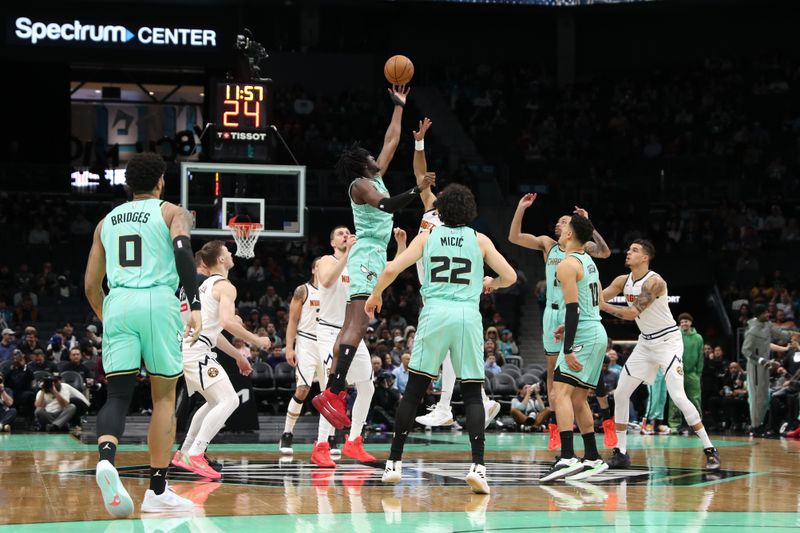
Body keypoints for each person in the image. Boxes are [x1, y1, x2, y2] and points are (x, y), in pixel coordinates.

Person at [366, 183, 517, 495]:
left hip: (435, 313)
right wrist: (493, 282)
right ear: (470, 212)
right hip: (467, 315)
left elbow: (393, 267)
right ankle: (478, 467)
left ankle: (394, 463)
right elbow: (512, 276)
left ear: (442, 210)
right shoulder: (480, 240)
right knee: (474, 394)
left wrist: (375, 294)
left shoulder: (428, 236)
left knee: (414, 392)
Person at [84, 152, 203, 517]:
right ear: (161, 181)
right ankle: (157, 489)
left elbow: (90, 284)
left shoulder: (106, 221)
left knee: (117, 394)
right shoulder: (171, 212)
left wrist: (109, 315)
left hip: (118, 300)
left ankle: (107, 458)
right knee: (164, 396)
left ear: (127, 184)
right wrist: (195, 303)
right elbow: (183, 252)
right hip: (157, 301)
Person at [312, 85, 436, 429]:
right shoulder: (360, 185)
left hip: (374, 253)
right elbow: (387, 205)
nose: (375, 157)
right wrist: (417, 189)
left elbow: (392, 141)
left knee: (357, 322)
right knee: (358, 322)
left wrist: (399, 106)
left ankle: (334, 390)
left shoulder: (372, 176)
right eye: (369, 157)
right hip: (366, 251)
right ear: (361, 164)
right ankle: (335, 391)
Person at [404, 118, 501, 429]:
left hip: (446, 291)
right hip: (433, 288)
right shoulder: (431, 210)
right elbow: (421, 175)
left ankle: (450, 405)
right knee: (449, 350)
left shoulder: (460, 229)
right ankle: (478, 401)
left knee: (447, 349)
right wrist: (419, 142)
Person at [600, 240, 720, 470]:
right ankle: (621, 453)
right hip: (645, 343)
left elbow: (631, 313)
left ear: (645, 257)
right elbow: (595, 300)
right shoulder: (621, 281)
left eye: (634, 250)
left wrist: (602, 306)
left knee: (678, 396)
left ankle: (710, 449)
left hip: (668, 342)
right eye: (628, 249)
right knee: (622, 393)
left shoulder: (655, 282)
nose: (628, 252)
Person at [508, 193, 613, 452]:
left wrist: (588, 225)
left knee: (585, 380)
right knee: (556, 378)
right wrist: (520, 208)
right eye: (559, 222)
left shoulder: (580, 253)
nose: (560, 224)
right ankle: (557, 429)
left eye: (566, 222)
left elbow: (605, 251)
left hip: (575, 315)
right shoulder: (548, 245)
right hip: (554, 314)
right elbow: (514, 238)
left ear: (572, 232)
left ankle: (605, 422)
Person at [171, 241, 264, 479]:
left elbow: (214, 331)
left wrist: (237, 357)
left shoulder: (200, 287)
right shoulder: (224, 286)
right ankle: (195, 454)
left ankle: (185, 451)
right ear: (221, 259)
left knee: (215, 402)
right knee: (230, 401)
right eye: (228, 252)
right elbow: (227, 323)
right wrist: (257, 340)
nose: (232, 253)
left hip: (191, 348)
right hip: (196, 351)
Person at [311, 226, 389, 467]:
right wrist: (347, 254)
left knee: (367, 388)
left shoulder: (357, 264)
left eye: (348, 232)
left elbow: (382, 277)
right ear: (332, 241)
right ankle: (321, 446)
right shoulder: (327, 260)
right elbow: (325, 280)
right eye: (340, 234)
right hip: (328, 331)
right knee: (330, 391)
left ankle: (354, 441)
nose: (346, 235)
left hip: (352, 332)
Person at [540, 215, 609, 482]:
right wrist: (568, 330)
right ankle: (592, 457)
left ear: (570, 235)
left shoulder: (567, 264)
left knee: (560, 392)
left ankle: (567, 457)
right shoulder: (587, 261)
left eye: (565, 227)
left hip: (584, 335)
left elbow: (572, 308)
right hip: (593, 331)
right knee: (578, 399)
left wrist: (567, 347)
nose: (560, 230)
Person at [279, 259, 321, 455]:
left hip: (328, 342)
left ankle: (328, 438)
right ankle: (287, 433)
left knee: (331, 392)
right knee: (303, 389)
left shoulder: (337, 290)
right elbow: (292, 321)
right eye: (320, 265)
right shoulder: (303, 290)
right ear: (313, 269)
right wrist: (289, 347)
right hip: (306, 341)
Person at [741, 303, 793, 436]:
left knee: (764, 396)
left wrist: (793, 336)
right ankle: (755, 426)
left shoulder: (767, 325)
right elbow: (745, 351)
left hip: (765, 365)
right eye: (765, 313)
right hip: (755, 366)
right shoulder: (752, 331)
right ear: (758, 315)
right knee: (756, 397)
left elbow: (781, 334)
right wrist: (762, 360)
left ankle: (760, 424)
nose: (768, 314)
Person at [668, 313, 704, 432]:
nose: (684, 323)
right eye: (682, 322)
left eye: (686, 321)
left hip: (692, 374)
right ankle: (674, 425)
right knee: (675, 399)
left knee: (695, 399)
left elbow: (700, 357)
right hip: (676, 372)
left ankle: (697, 426)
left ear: (691, 323)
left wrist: (698, 374)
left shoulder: (698, 338)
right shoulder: (675, 335)